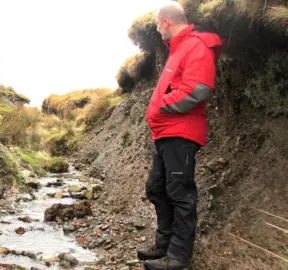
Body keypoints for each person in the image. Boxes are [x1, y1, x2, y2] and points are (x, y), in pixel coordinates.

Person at [137, 2, 222, 270]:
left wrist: (161, 105)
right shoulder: (178, 49)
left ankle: (178, 258)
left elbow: (198, 88)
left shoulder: (196, 44)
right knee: (157, 188)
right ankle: (163, 246)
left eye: (156, 24)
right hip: (165, 133)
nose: (156, 28)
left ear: (166, 22)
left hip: (180, 133)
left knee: (180, 194)